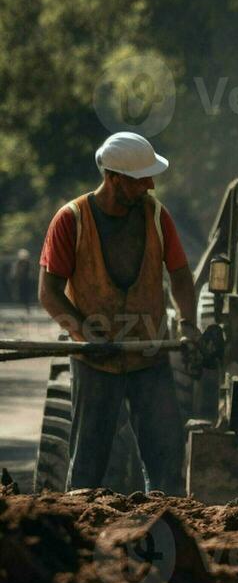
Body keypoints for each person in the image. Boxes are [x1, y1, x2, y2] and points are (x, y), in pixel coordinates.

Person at [37, 132, 197, 492]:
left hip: (150, 355)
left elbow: (181, 278)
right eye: (141, 179)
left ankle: (165, 536)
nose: (151, 186)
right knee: (88, 466)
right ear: (113, 178)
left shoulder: (157, 216)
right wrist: (86, 335)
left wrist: (188, 325)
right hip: (96, 363)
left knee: (166, 461)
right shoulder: (71, 220)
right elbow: (49, 294)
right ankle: (78, 534)